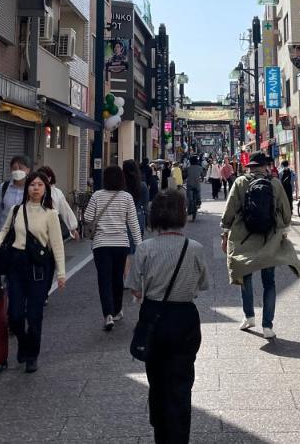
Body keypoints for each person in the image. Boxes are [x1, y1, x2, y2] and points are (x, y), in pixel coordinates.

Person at [125, 190, 209, 444]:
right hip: (185, 318)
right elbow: (203, 284)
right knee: (182, 382)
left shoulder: (144, 249)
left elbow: (134, 287)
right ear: (182, 215)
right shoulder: (194, 248)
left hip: (154, 317)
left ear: (155, 216)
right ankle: (179, 436)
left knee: (157, 380)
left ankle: (161, 434)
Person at [0, 172, 66, 372]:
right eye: (32, 185)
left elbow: (57, 245)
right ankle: (23, 342)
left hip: (38, 267)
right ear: (27, 188)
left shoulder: (50, 214)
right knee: (14, 315)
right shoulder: (16, 210)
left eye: (40, 185)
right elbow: (4, 231)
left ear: (45, 189)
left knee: (34, 315)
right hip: (16, 265)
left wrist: (61, 273)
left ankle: (32, 355)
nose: (36, 188)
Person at [221, 152, 300, 340]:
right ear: (266, 167)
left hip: (243, 237)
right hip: (269, 238)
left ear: (250, 167)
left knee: (244, 276)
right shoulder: (275, 183)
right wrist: (284, 231)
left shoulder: (240, 182)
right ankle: (267, 326)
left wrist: (224, 234)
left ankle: (249, 316)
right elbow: (286, 211)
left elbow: (229, 210)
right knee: (269, 282)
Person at [82, 165, 143, 331]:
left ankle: (107, 314)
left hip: (101, 245)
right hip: (121, 244)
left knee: (104, 279)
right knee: (117, 278)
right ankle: (117, 310)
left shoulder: (97, 195)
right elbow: (133, 223)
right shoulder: (126, 197)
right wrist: (139, 244)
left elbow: (87, 217)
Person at [0, 155, 30, 246]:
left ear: (28, 170)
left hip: (26, 239)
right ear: (10, 170)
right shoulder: (4, 187)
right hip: (4, 237)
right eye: (14, 168)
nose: (17, 171)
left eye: (21, 168)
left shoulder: (33, 189)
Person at [36, 165, 78, 240]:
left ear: (49, 178)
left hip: (53, 230)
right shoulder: (34, 191)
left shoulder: (56, 193)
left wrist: (73, 228)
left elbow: (65, 211)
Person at [123, 158, 150, 240]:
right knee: (137, 243)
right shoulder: (142, 185)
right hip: (138, 215)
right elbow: (146, 206)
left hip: (123, 216)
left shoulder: (121, 186)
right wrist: (147, 222)